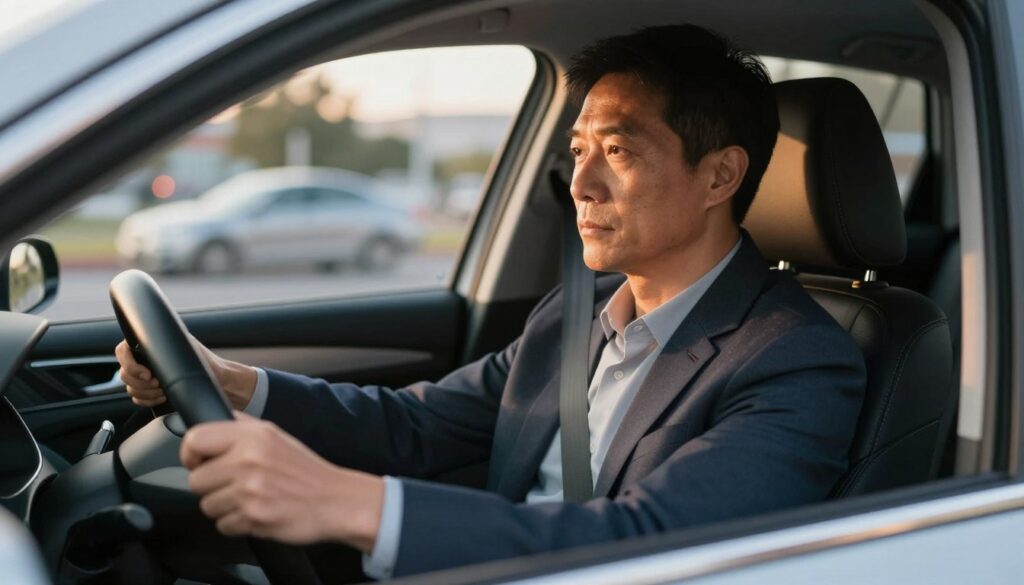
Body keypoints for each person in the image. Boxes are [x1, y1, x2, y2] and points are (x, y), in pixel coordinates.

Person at [116, 24, 865, 579]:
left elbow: (656, 542)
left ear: (720, 176)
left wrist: (351, 505)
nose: (581, 184)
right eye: (579, 151)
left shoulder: (797, 359)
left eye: (619, 151)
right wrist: (234, 384)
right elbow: (417, 425)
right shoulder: (574, 316)